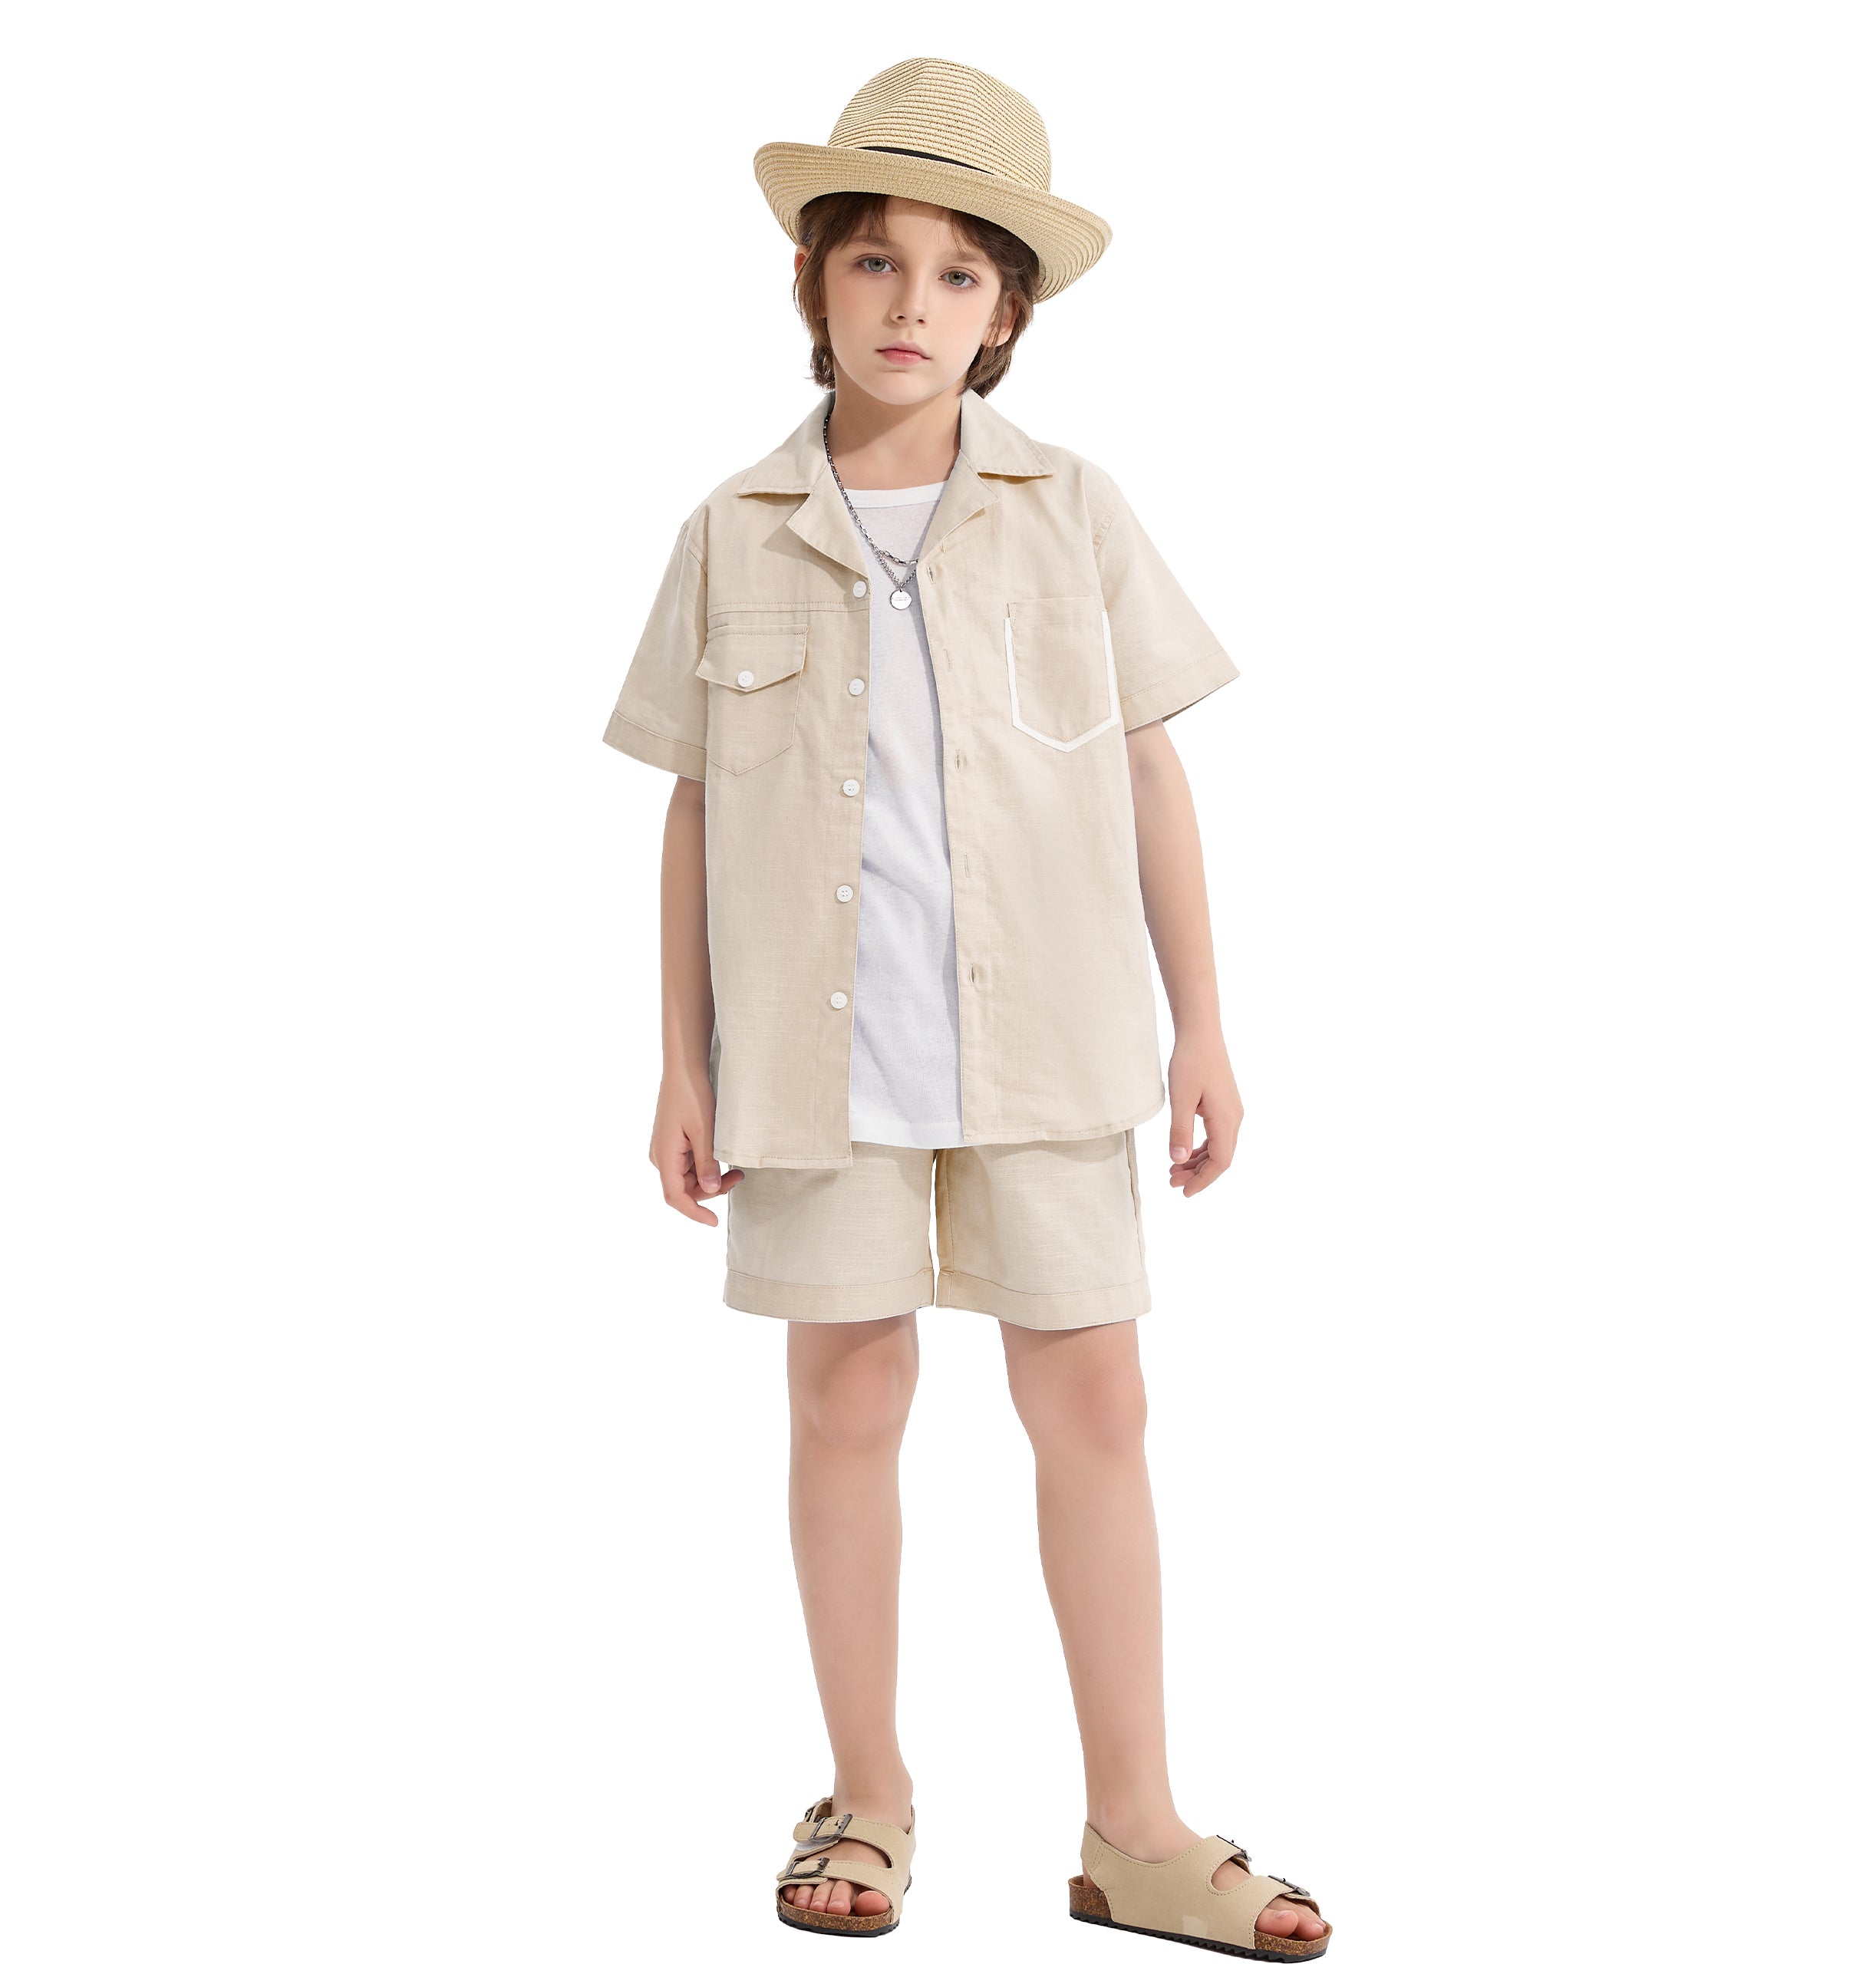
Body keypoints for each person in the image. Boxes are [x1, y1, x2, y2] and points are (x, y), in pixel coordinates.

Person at [602, 57, 1332, 1958]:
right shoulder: (731, 526)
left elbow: (1150, 768)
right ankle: (867, 1790)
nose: (908, 304)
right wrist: (678, 1059)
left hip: (1050, 1036)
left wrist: (1203, 1025)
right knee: (843, 1393)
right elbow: (693, 804)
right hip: (810, 1054)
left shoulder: (1071, 509)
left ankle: (1135, 1828)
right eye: (872, 261)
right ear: (812, 283)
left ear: (1003, 312)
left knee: (1093, 1394)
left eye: (952, 273)